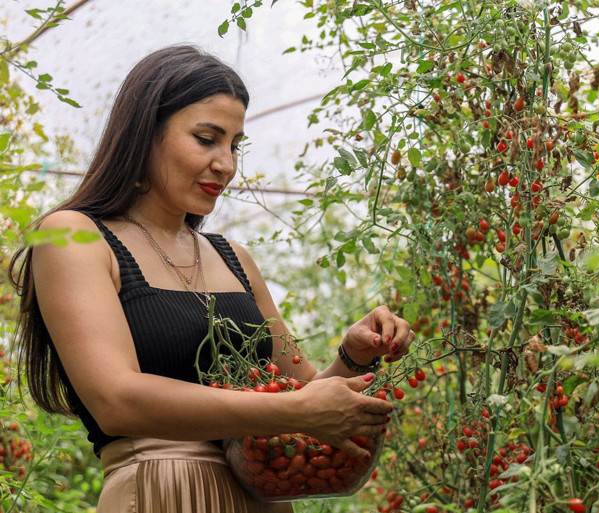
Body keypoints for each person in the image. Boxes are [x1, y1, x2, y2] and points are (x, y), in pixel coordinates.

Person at [9, 45, 414, 513]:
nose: (226, 164)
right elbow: (116, 399)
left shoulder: (233, 257)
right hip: (160, 492)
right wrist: (291, 410)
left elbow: (302, 396)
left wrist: (352, 355)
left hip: (260, 498)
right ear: (144, 133)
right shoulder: (73, 236)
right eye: (206, 138)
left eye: (234, 145)